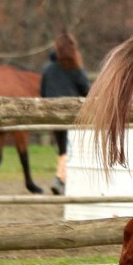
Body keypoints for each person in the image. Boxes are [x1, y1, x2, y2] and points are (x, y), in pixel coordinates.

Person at [41, 32, 91, 195]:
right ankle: (60, 179)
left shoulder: (48, 69)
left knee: (63, 148)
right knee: (69, 150)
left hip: (52, 115)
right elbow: (86, 91)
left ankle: (62, 179)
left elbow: (42, 92)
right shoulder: (75, 69)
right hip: (72, 116)